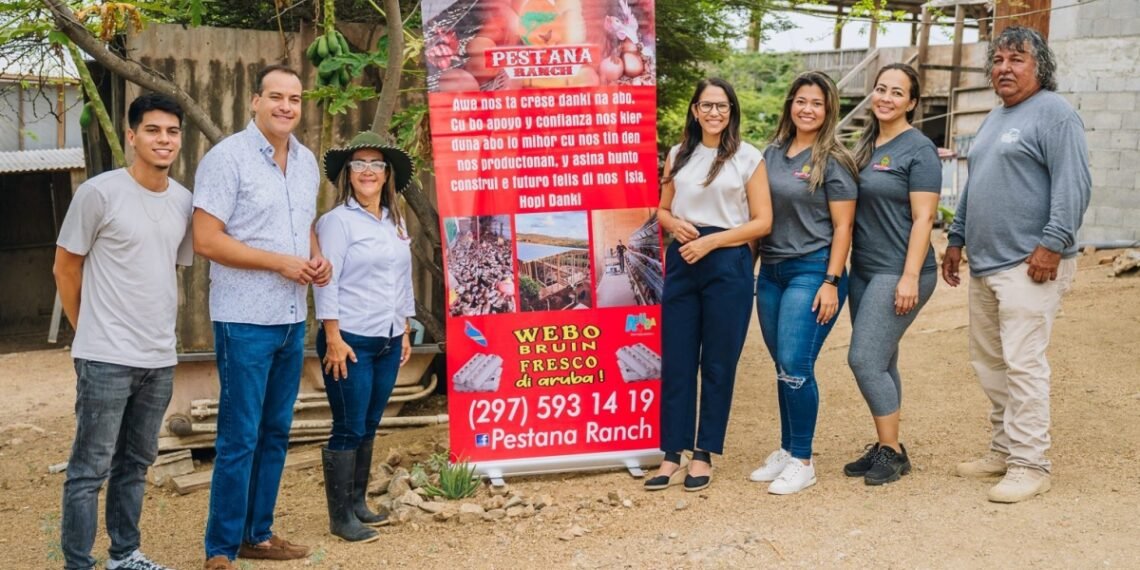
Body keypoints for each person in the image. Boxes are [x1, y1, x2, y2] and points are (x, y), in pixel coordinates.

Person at [943, 26, 1091, 503]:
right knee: (990, 362)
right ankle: (1005, 449)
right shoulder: (994, 117)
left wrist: (1053, 243)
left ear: (1039, 67)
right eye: (998, 60)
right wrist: (956, 237)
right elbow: (975, 184)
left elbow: (1074, 185)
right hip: (987, 262)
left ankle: (1031, 463)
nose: (1004, 68)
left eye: (1016, 59)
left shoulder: (1054, 114)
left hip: (1031, 264)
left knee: (1024, 364)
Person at [192, 65, 331, 570]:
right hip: (243, 318)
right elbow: (206, 240)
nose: (286, 107)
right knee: (239, 434)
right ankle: (221, 549)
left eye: (294, 99)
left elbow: (303, 226)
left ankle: (259, 534)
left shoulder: (307, 161)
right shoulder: (226, 158)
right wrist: (280, 262)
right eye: (276, 97)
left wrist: (315, 259)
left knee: (275, 430)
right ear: (255, 101)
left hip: (292, 317)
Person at [54, 92, 191, 570]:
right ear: (132, 137)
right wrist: (86, 332)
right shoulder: (99, 192)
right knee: (89, 468)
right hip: (105, 355)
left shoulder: (183, 202)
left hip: (159, 358)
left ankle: (124, 554)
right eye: (153, 130)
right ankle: (77, 561)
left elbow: (165, 271)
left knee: (134, 466)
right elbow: (65, 268)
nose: (164, 139)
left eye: (172, 131)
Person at [645, 78, 772, 492]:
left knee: (718, 363)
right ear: (695, 110)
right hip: (683, 261)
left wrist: (712, 240)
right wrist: (674, 223)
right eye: (706, 105)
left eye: (722, 106)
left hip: (727, 260)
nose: (714, 113)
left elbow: (762, 221)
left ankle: (703, 453)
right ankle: (671, 454)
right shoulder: (678, 154)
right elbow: (661, 209)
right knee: (678, 360)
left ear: (731, 111)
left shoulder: (748, 157)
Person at [748, 71, 859, 495]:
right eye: (800, 100)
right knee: (783, 368)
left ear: (828, 109)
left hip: (812, 271)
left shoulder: (835, 160)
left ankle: (803, 460)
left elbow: (843, 227)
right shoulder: (771, 153)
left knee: (796, 366)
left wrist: (830, 281)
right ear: (789, 104)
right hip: (772, 272)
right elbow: (760, 219)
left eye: (816, 102)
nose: (807, 109)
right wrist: (750, 270)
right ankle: (785, 449)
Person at [313, 131, 416, 542]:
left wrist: (405, 327)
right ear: (348, 174)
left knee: (370, 424)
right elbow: (325, 280)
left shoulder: (395, 221)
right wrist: (333, 335)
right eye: (360, 164)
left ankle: (357, 504)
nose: (368, 171)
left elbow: (401, 277)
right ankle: (340, 519)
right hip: (350, 339)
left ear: (387, 173)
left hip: (388, 338)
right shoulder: (337, 222)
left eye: (376, 164)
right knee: (348, 427)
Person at [843, 63, 941, 486]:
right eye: (880, 89)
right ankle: (889, 443)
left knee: (863, 359)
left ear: (912, 103)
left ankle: (892, 451)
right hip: (863, 270)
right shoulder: (866, 143)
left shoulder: (918, 149)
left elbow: (924, 218)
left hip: (900, 270)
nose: (885, 97)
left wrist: (909, 277)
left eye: (897, 92)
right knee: (883, 360)